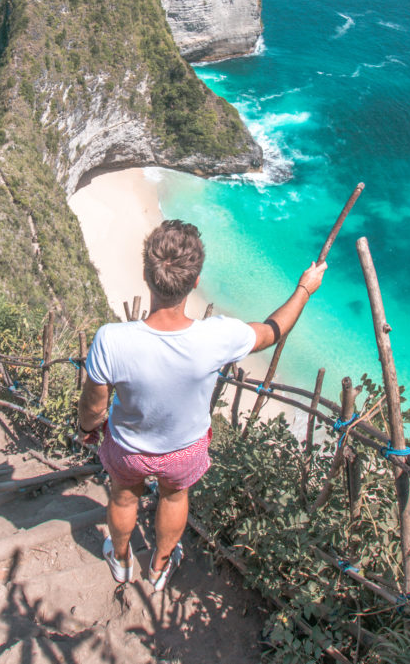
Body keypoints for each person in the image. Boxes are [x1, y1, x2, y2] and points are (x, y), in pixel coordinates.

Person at [76, 219, 326, 591]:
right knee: (175, 497)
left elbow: (93, 409)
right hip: (184, 449)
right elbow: (273, 330)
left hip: (128, 446)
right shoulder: (217, 336)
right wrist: (304, 289)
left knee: (123, 495)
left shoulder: (111, 340)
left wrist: (86, 430)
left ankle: (122, 558)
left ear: (147, 275)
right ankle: (160, 567)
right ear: (195, 282)